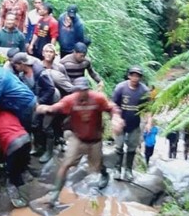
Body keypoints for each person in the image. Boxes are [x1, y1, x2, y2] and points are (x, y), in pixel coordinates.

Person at [36, 77, 124, 205]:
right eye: (78, 90)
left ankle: (104, 174)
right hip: (78, 139)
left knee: (97, 165)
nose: (80, 93)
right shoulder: (71, 100)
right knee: (65, 164)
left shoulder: (98, 98)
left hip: (95, 140)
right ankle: (54, 195)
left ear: (88, 90)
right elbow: (57, 107)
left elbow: (111, 107)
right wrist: (45, 108)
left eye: (83, 90)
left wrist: (116, 117)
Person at [11, 52, 58, 163]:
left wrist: (39, 101)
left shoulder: (40, 73)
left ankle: (49, 151)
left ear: (22, 64)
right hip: (37, 100)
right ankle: (39, 147)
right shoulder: (22, 76)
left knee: (46, 126)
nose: (15, 68)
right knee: (34, 124)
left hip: (51, 99)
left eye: (16, 65)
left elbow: (50, 89)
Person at [0, 107, 31, 208]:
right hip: (26, 138)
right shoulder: (8, 112)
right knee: (21, 163)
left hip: (12, 144)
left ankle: (14, 194)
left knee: (11, 171)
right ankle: (24, 177)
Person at [111, 66, 151, 181]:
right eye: (133, 75)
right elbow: (113, 105)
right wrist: (116, 119)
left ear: (140, 77)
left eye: (137, 75)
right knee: (118, 147)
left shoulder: (144, 91)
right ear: (129, 76)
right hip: (121, 123)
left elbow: (148, 108)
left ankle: (128, 170)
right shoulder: (120, 88)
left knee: (132, 148)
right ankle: (117, 169)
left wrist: (149, 123)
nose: (135, 78)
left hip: (135, 124)